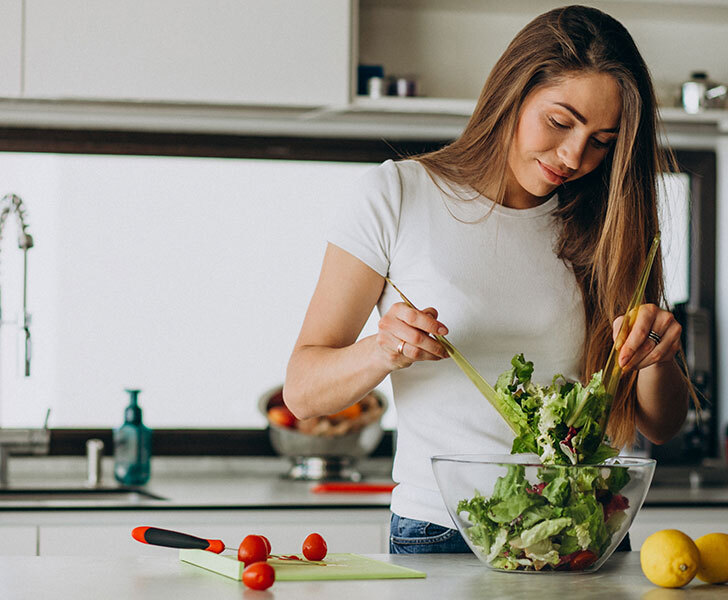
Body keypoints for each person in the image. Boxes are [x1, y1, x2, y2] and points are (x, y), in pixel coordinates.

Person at [283, 5, 689, 554]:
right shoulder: (398, 195)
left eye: (602, 140)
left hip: (586, 532)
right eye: (560, 122)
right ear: (512, 93)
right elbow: (303, 392)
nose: (574, 156)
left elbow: (662, 425)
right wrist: (383, 350)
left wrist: (659, 358)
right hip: (446, 530)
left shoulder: (608, 221)